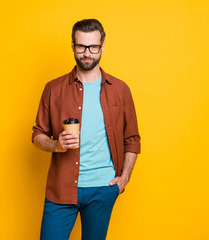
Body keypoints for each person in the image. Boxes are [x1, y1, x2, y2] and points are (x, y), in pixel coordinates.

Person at [32, 19, 141, 240]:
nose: (87, 53)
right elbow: (37, 135)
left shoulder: (120, 90)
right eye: (81, 46)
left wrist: (124, 179)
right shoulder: (53, 89)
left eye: (93, 47)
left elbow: (132, 139)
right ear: (73, 46)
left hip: (103, 188)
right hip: (61, 189)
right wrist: (56, 144)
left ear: (102, 47)